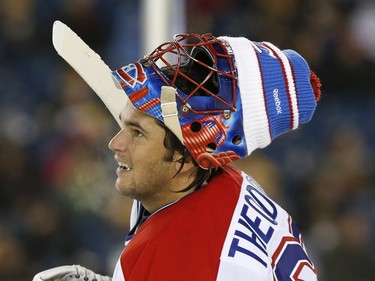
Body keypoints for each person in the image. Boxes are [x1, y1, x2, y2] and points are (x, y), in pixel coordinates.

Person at [33, 23, 321, 281]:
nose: (116, 143)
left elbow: (191, 260)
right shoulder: (224, 185)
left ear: (183, 161)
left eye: (138, 133)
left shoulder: (178, 248)